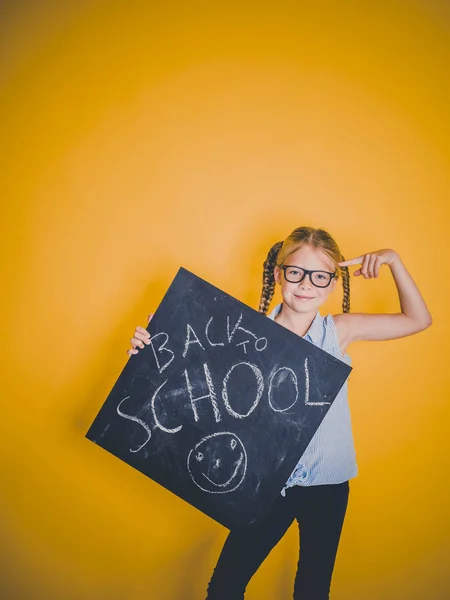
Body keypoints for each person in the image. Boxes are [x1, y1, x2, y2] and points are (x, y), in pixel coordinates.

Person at [127, 226, 432, 600]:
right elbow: (198, 386)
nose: (306, 284)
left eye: (319, 276)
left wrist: (394, 261)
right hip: (266, 485)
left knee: (313, 589)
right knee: (225, 587)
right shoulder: (242, 334)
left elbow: (418, 320)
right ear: (278, 274)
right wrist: (155, 347)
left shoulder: (338, 332)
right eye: (296, 272)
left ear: (332, 284)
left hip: (327, 485)